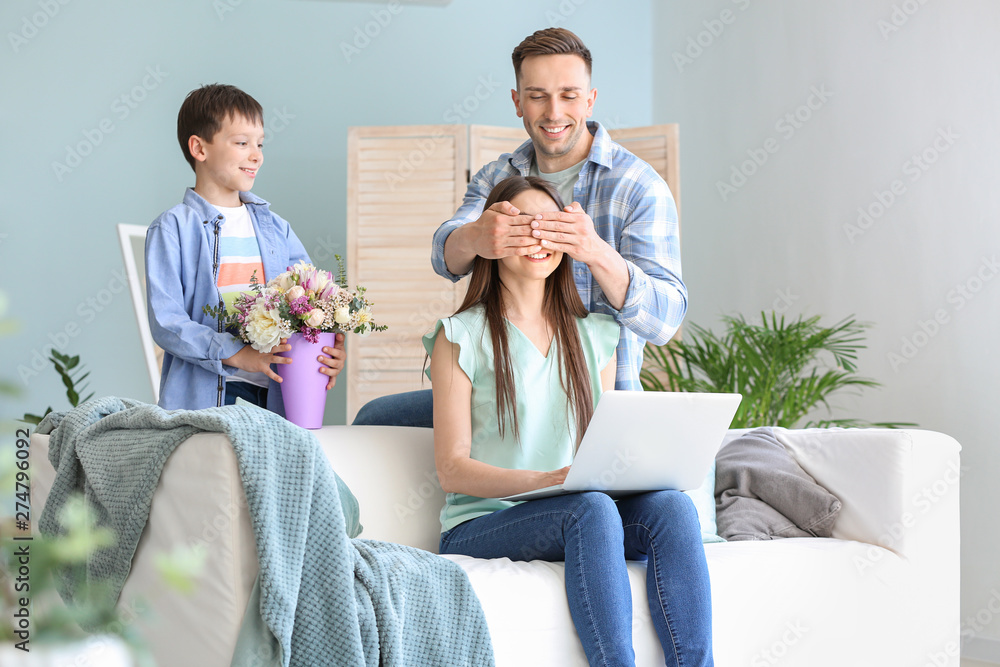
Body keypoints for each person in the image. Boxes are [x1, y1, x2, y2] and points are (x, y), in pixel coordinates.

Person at [426, 175, 712, 667]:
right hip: (485, 520)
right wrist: (546, 481)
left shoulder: (598, 334)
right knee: (591, 509)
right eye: (522, 227)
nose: (539, 239)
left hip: (576, 508)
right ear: (495, 240)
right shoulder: (459, 336)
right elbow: (452, 469)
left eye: (550, 227)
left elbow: (598, 450)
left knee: (672, 507)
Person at [354, 27, 686, 426]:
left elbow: (665, 320)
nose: (554, 112)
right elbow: (446, 257)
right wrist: (475, 236)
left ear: (590, 100)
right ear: (517, 102)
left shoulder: (639, 186)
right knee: (376, 417)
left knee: (669, 493)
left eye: (569, 95)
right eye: (537, 96)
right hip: (500, 392)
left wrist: (596, 251)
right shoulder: (497, 176)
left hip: (600, 403)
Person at [145, 84, 345, 413]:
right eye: (242, 143)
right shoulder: (173, 229)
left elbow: (313, 300)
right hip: (206, 400)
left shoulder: (275, 228)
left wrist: (329, 347)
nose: (257, 155)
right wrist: (237, 353)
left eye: (260, 144)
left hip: (278, 397)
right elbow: (167, 322)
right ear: (199, 148)